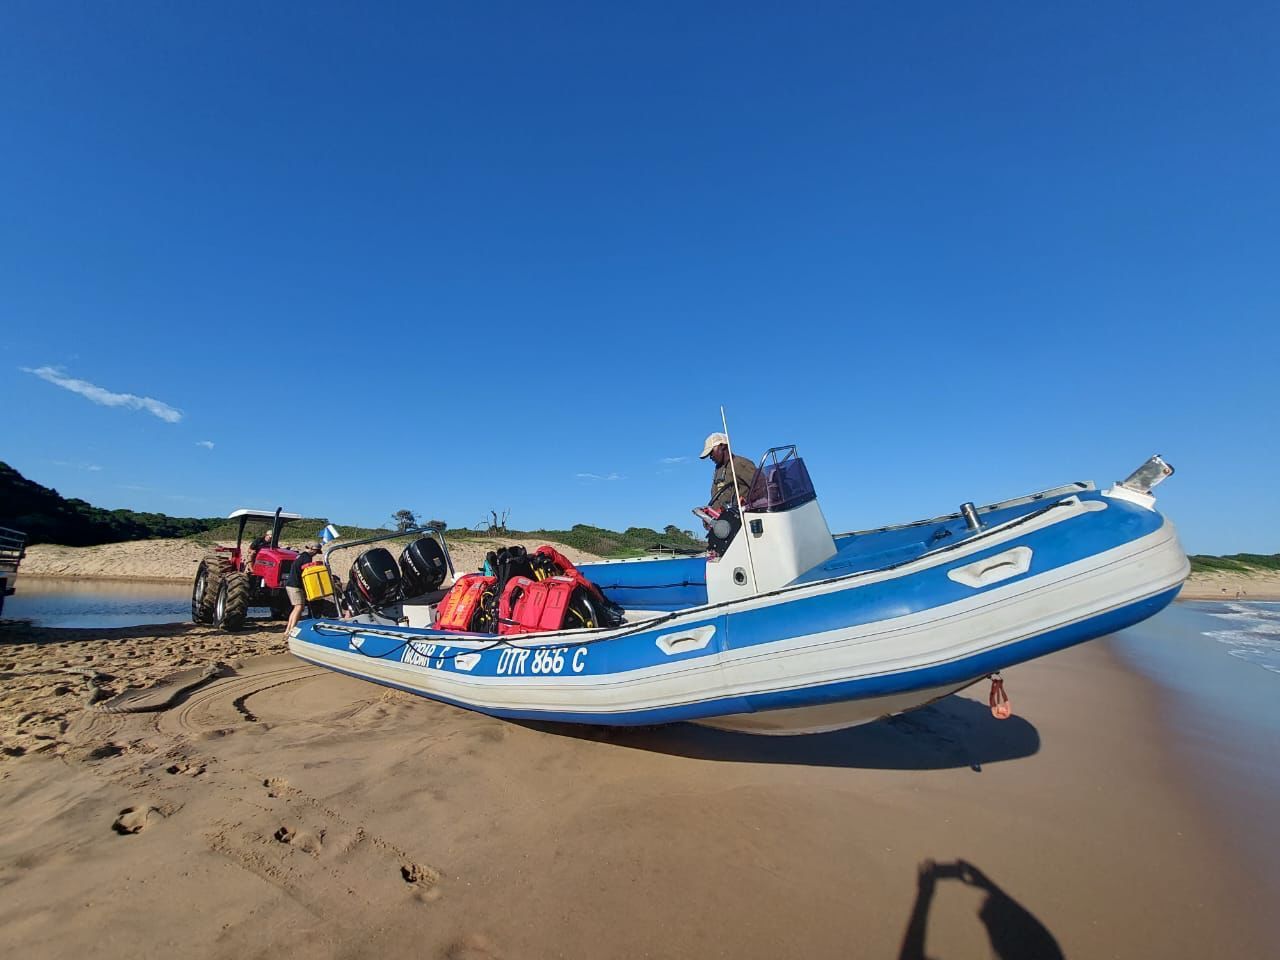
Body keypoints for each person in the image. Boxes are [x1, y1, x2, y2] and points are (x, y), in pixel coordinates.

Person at [699, 432, 756, 512]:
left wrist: (746, 502)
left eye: (711, 452)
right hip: (720, 518)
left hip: (740, 517)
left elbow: (762, 488)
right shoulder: (718, 469)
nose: (710, 457)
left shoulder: (740, 464)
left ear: (723, 446)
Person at [284, 541, 322, 635]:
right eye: (316, 552)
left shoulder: (300, 556)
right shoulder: (307, 558)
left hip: (290, 584)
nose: (316, 554)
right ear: (312, 549)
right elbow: (307, 573)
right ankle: (292, 629)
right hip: (295, 585)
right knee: (299, 607)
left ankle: (288, 629)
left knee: (296, 607)